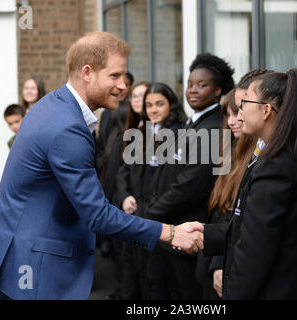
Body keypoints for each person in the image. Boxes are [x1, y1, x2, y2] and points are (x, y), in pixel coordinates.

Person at [0, 31, 203, 300]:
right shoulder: (67, 127)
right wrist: (170, 232)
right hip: (33, 267)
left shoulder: (54, 104)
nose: (123, 86)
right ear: (87, 72)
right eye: (114, 76)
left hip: (17, 254)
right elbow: (98, 216)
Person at [202, 68, 297, 299]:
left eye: (244, 104)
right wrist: (203, 235)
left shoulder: (276, 167)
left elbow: (255, 250)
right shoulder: (279, 155)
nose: (239, 115)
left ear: (266, 110)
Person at [144, 53, 235, 299]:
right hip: (170, 232)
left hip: (188, 236)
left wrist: (149, 215)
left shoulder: (216, 128)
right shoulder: (193, 123)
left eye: (202, 85)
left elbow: (190, 185)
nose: (193, 90)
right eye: (190, 84)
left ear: (218, 91)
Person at [119, 82, 187, 300]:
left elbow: (176, 182)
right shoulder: (141, 133)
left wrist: (152, 210)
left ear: (171, 105)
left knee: (159, 282)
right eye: (149, 105)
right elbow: (124, 171)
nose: (153, 109)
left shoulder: (180, 134)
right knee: (138, 275)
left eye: (159, 104)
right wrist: (124, 196)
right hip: (137, 213)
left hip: (160, 217)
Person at [94, 71, 134, 299]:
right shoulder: (108, 112)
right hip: (107, 175)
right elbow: (101, 145)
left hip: (122, 182)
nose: (120, 87)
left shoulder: (130, 114)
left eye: (125, 84)